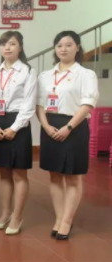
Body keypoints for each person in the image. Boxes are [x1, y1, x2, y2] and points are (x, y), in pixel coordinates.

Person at [36, 31, 98, 240]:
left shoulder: (85, 74)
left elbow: (87, 104)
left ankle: (67, 221)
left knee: (72, 176)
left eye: (68, 45)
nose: (63, 49)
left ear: (77, 47)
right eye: (59, 45)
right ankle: (59, 217)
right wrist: (45, 126)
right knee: (54, 175)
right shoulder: (45, 76)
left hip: (74, 127)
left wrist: (69, 127)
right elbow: (40, 104)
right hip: (50, 127)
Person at [0, 31, 36, 235]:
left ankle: (17, 216)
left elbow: (29, 103)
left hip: (19, 124)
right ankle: (5, 213)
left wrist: (14, 128)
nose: (7, 48)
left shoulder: (28, 71)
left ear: (20, 47)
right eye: (3, 44)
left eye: (12, 44)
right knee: (4, 173)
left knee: (19, 173)